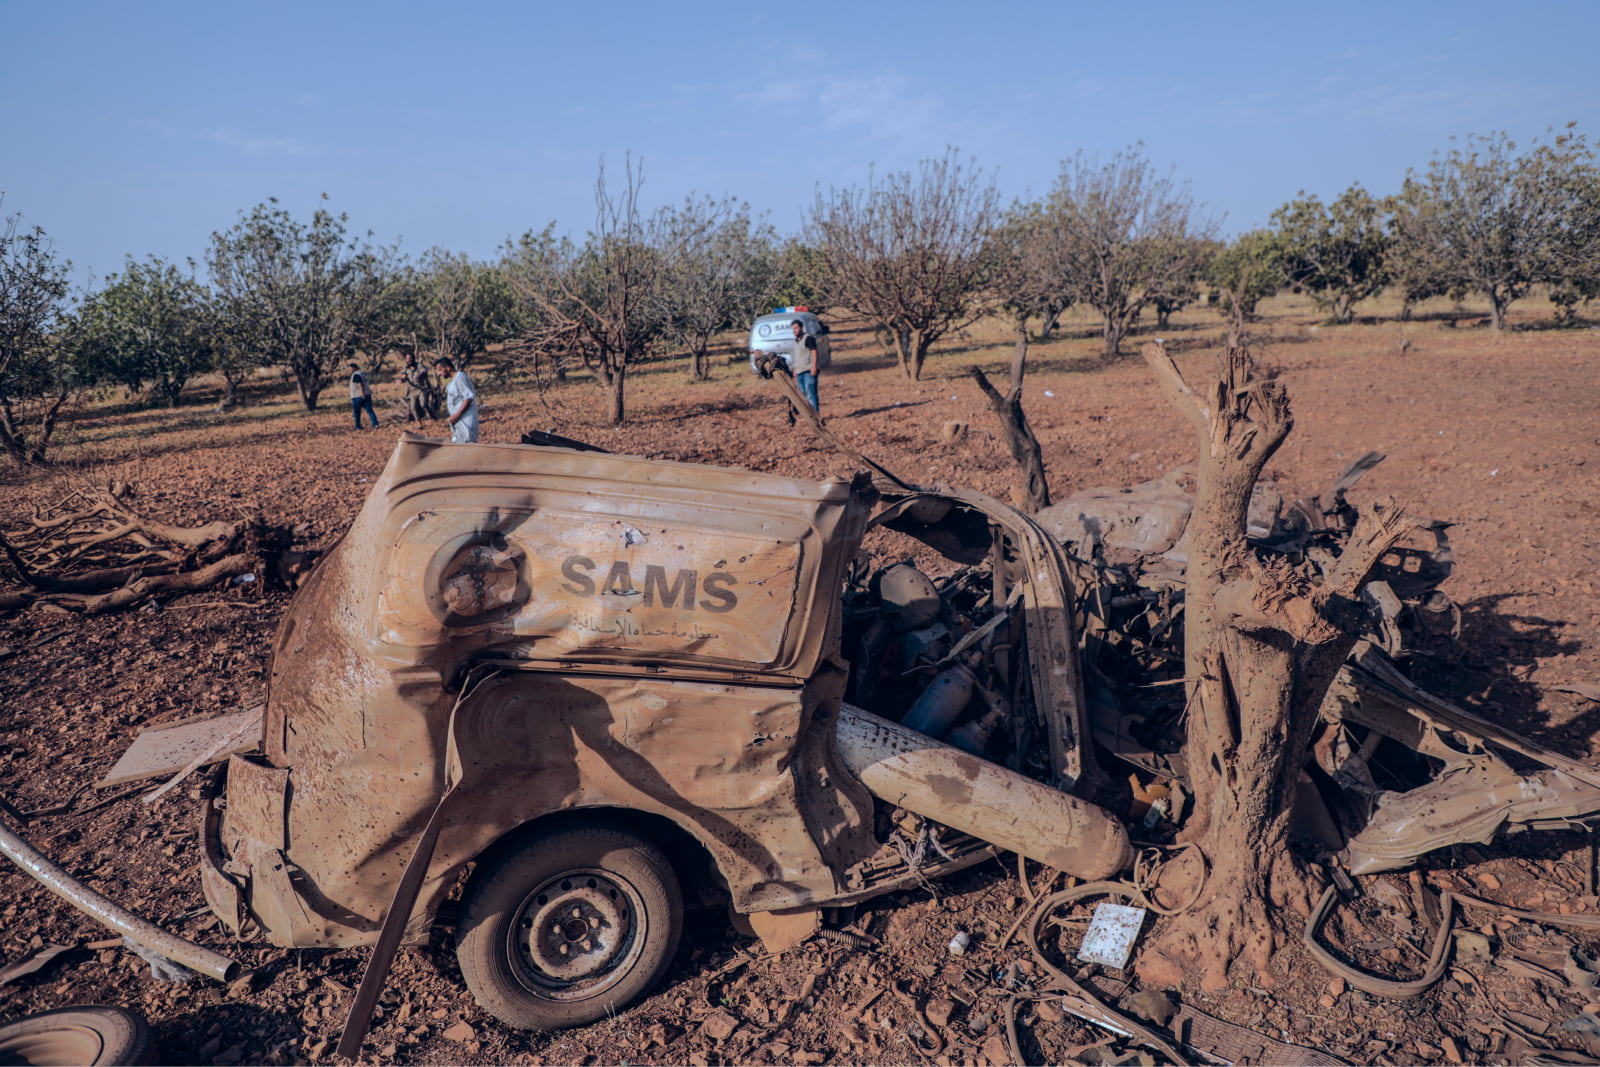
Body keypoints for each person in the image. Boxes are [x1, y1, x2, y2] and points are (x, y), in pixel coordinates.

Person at [435, 357, 479, 443]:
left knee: (467, 445)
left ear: (448, 368)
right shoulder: (453, 381)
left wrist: (457, 415)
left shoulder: (460, 377)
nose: (439, 373)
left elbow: (468, 398)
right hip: (458, 421)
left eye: (440, 370)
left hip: (465, 420)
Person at [790, 319, 820, 411]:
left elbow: (814, 352)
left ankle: (816, 415)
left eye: (796, 328)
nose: (794, 330)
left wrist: (814, 367)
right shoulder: (795, 341)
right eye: (793, 328)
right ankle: (809, 414)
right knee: (802, 393)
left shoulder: (808, 338)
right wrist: (795, 368)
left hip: (808, 370)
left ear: (801, 328)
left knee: (811, 393)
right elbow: (797, 356)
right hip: (799, 371)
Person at [401, 354, 437, 424]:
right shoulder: (406, 368)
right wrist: (401, 380)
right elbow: (404, 376)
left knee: (424, 404)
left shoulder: (419, 365)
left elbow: (424, 371)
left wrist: (421, 374)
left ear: (413, 358)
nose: (409, 360)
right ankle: (418, 422)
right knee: (413, 407)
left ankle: (433, 416)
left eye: (410, 358)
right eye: (407, 359)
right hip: (412, 391)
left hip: (422, 389)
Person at [348, 362, 379, 429]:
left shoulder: (356, 375)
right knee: (369, 410)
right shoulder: (363, 373)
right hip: (367, 394)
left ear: (354, 368)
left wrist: (362, 393)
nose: (349, 370)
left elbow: (360, 384)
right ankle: (375, 424)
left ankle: (358, 426)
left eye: (350, 368)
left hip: (358, 396)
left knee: (357, 412)